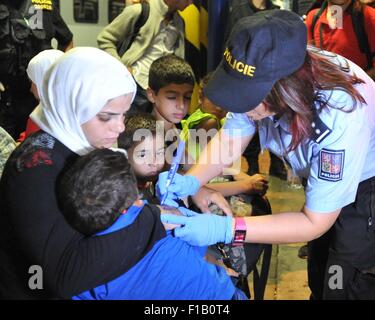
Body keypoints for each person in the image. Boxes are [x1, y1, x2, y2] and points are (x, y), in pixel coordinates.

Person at [158, 10, 375, 300]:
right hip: (321, 178)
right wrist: (191, 182)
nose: (240, 108)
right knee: (320, 270)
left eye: (248, 99)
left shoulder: (339, 112)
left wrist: (226, 229)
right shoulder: (260, 66)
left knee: (344, 281)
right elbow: (231, 141)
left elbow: (313, 222)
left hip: (366, 187)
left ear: (287, 89)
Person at [0, 47, 168, 299]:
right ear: (71, 104)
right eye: (105, 117)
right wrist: (153, 219)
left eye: (122, 114)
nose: (120, 126)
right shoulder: (34, 169)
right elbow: (68, 274)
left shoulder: (75, 144)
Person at [58, 148, 243, 300]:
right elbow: (198, 249)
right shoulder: (163, 222)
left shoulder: (82, 272)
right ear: (136, 201)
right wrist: (177, 207)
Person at [224, 0, 287, 179]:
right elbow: (230, 44)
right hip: (245, 80)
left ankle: (276, 162)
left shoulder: (278, 12)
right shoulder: (239, 9)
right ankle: (252, 162)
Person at [97, 0, 193, 112]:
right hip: (134, 84)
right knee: (128, 126)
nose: (190, 3)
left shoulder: (179, 22)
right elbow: (105, 38)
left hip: (161, 88)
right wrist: (121, 68)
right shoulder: (139, 11)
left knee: (153, 128)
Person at [0, 0, 73, 139]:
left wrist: (60, 74)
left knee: (39, 142)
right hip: (5, 95)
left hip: (39, 95)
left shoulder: (44, 5)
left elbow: (67, 40)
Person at [305, 0, 375, 79]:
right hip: (324, 85)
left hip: (358, 87)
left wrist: (359, 85)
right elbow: (309, 57)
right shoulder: (313, 17)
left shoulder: (370, 17)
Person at [17, 49, 64, 142]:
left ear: (43, 81)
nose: (30, 89)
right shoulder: (47, 108)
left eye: (32, 82)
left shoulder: (52, 117)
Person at [118, 112, 165, 203]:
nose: (154, 162)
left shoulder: (151, 182)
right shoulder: (123, 197)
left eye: (160, 153)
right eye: (143, 155)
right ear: (124, 154)